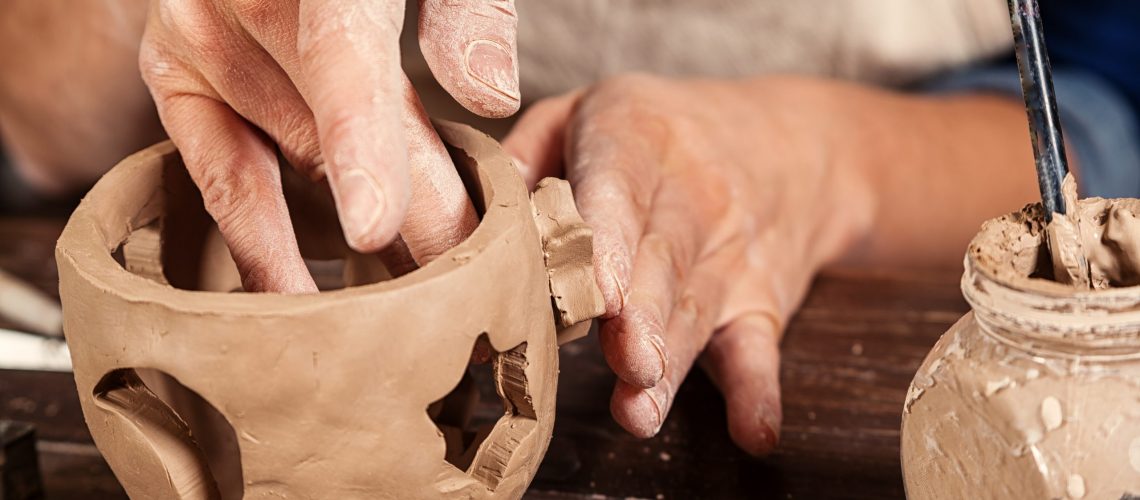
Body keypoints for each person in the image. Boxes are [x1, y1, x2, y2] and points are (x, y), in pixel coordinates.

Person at [1, 0, 1137, 456]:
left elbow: (1106, 95)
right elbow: (31, 99)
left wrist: (819, 156)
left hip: (884, 192)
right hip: (228, 203)